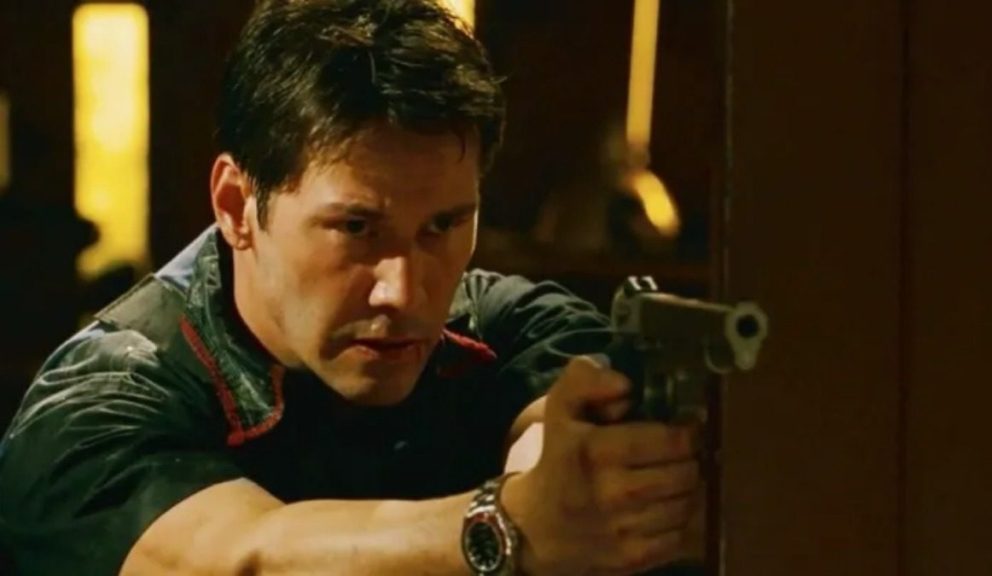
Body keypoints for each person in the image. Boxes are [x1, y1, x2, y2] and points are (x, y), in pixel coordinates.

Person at [0, 1, 703, 574]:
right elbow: (242, 557)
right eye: (357, 228)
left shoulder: (505, 324)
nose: (404, 290)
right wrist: (507, 526)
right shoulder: (98, 404)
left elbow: (561, 423)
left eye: (442, 226)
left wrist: (570, 478)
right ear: (237, 207)